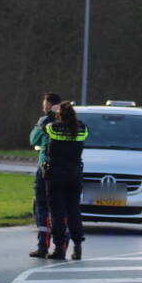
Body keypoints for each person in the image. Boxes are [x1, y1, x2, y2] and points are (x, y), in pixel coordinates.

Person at [44, 101, 89, 260]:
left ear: (59, 115)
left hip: (56, 174)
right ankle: (77, 247)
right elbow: (84, 127)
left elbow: (45, 126)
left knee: (57, 213)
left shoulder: (54, 128)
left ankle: (59, 248)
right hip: (75, 174)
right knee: (74, 211)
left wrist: (51, 113)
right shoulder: (81, 129)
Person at [28, 92, 61, 258]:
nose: (43, 106)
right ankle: (61, 247)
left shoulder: (45, 121)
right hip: (65, 171)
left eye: (44, 103)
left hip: (45, 169)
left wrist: (43, 122)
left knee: (42, 207)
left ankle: (43, 246)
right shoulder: (71, 122)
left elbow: (33, 140)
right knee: (61, 209)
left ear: (48, 104)